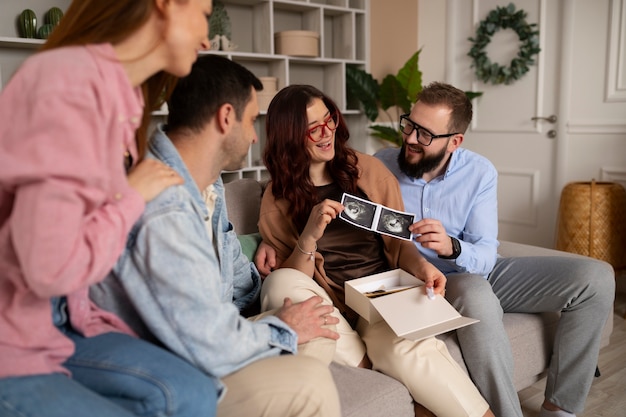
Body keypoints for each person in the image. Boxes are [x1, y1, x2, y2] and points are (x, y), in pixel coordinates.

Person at [0, 1, 220, 416]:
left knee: (194, 393)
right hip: (13, 334)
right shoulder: (67, 83)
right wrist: (130, 197)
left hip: (64, 320)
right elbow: (50, 268)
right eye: (205, 13)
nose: (208, 37)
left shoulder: (123, 99)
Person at [91, 55, 342, 417]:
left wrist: (261, 264)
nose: (256, 136)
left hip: (212, 335)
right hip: (177, 360)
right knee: (310, 383)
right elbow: (201, 335)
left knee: (317, 325)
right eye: (252, 120)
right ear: (226, 117)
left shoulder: (210, 183)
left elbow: (232, 280)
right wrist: (281, 326)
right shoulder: (163, 202)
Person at [375, 81, 615, 417]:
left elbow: (486, 252)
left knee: (596, 278)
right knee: (475, 292)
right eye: (409, 124)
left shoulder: (479, 172)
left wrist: (451, 246)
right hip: (424, 280)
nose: (411, 139)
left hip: (470, 266)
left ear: (455, 141)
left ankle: (559, 409)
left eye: (425, 134)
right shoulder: (380, 165)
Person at [257, 84, 494, 417]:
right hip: (331, 308)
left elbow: (401, 245)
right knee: (278, 283)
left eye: (330, 120)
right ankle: (370, 363)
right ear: (290, 135)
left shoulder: (368, 171)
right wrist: (308, 238)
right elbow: (296, 283)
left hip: (382, 295)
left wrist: (422, 268)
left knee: (408, 351)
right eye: (314, 128)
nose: (327, 133)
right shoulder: (276, 200)